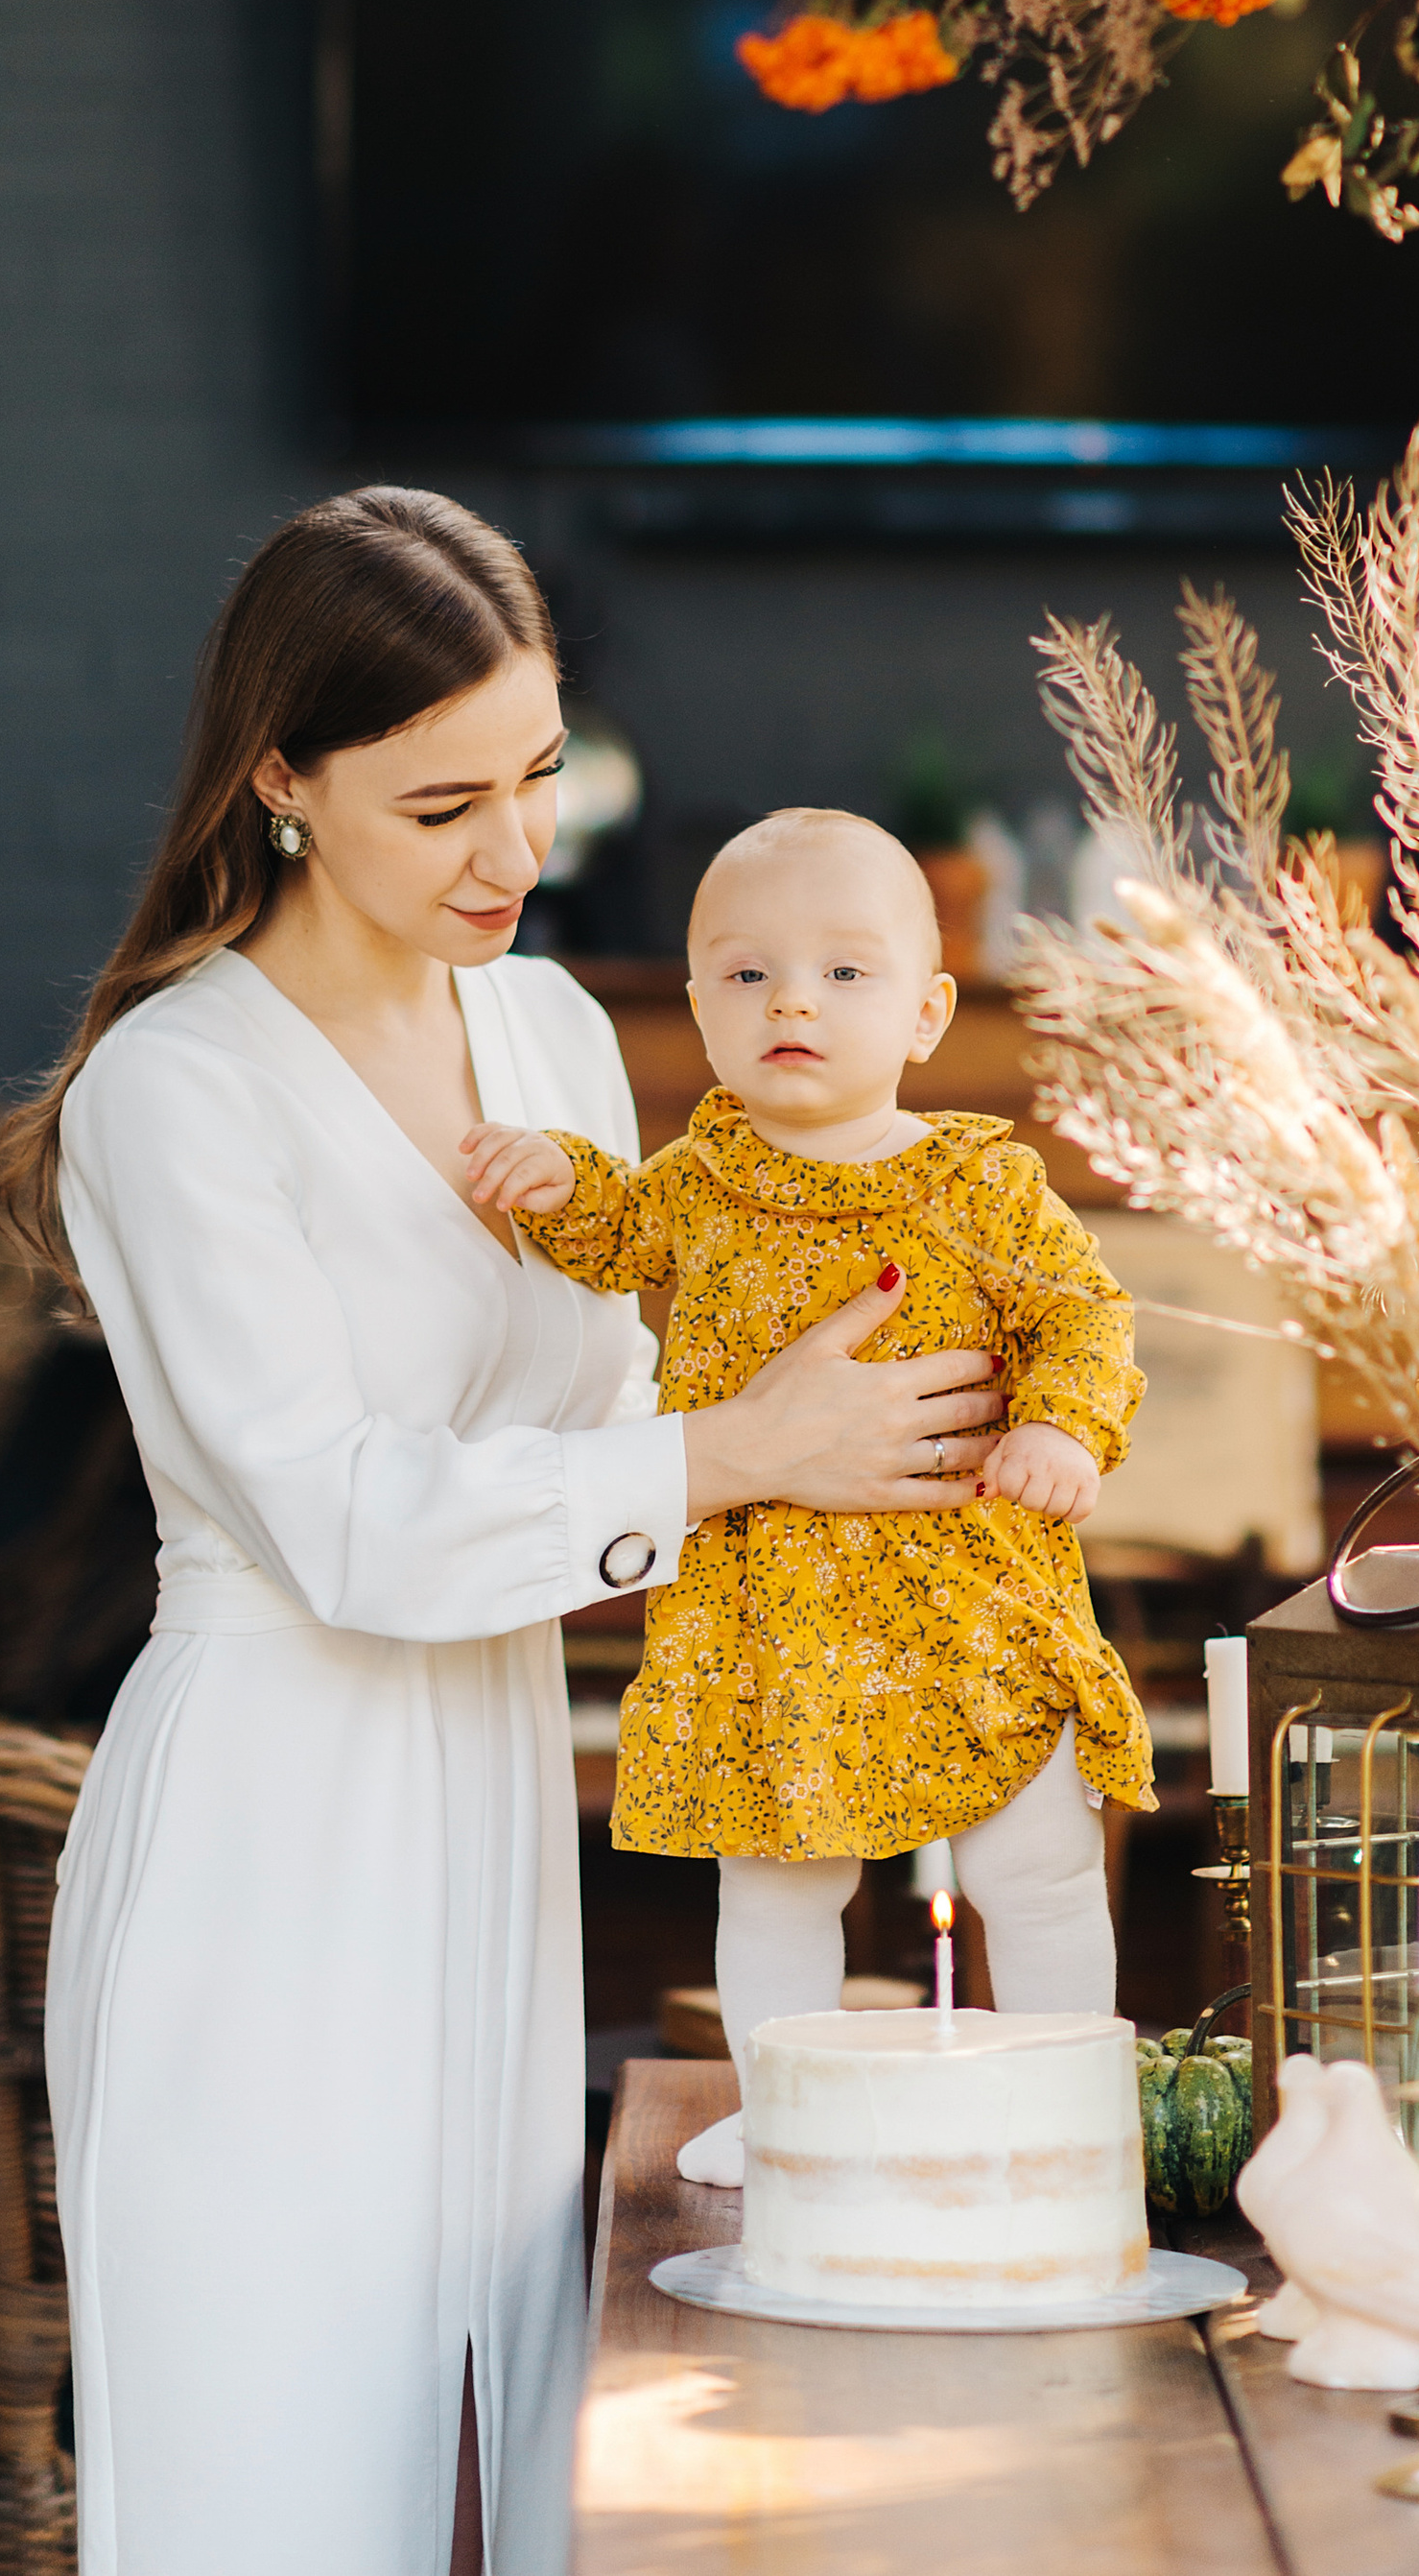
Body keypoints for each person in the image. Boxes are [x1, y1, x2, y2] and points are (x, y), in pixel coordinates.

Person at [0, 495, 1005, 2576]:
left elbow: (630, 1412)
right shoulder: (172, 1095)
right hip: (268, 1832)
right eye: (441, 800)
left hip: (490, 1792)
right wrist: (737, 1449)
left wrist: (869, 1453)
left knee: (517, 2472)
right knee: (268, 2482)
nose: (512, 851)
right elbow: (354, 1521)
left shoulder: (542, 1032)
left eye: (539, 773)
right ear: (277, 779)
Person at [461, 804, 1155, 2193]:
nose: (792, 1001)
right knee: (777, 1886)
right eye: (745, 972)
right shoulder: (705, 1178)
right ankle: (786, 2104)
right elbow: (614, 1232)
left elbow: (1087, 1317)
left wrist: (1065, 1433)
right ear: (706, 1007)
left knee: (1039, 1869)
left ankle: (1072, 2106)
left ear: (925, 1010)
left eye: (845, 972)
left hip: (972, 1602)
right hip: (771, 1619)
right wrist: (550, 1180)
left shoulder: (981, 1183)